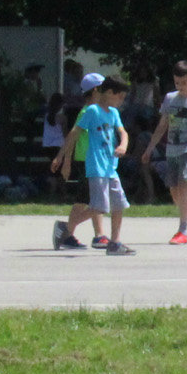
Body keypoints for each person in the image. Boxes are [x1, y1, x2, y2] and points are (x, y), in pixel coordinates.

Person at [50, 74, 135, 256]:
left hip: (111, 167)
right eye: (120, 97)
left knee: (118, 205)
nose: (121, 101)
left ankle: (115, 242)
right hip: (96, 167)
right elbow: (74, 133)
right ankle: (66, 229)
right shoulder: (92, 111)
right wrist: (61, 157)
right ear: (110, 93)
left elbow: (123, 133)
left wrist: (122, 145)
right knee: (100, 207)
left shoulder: (113, 113)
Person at [142, 61, 187, 245]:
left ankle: (182, 230)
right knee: (174, 191)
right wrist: (150, 148)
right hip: (172, 149)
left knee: (184, 187)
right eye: (177, 83)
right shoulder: (170, 99)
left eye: (184, 83)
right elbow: (162, 125)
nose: (180, 87)